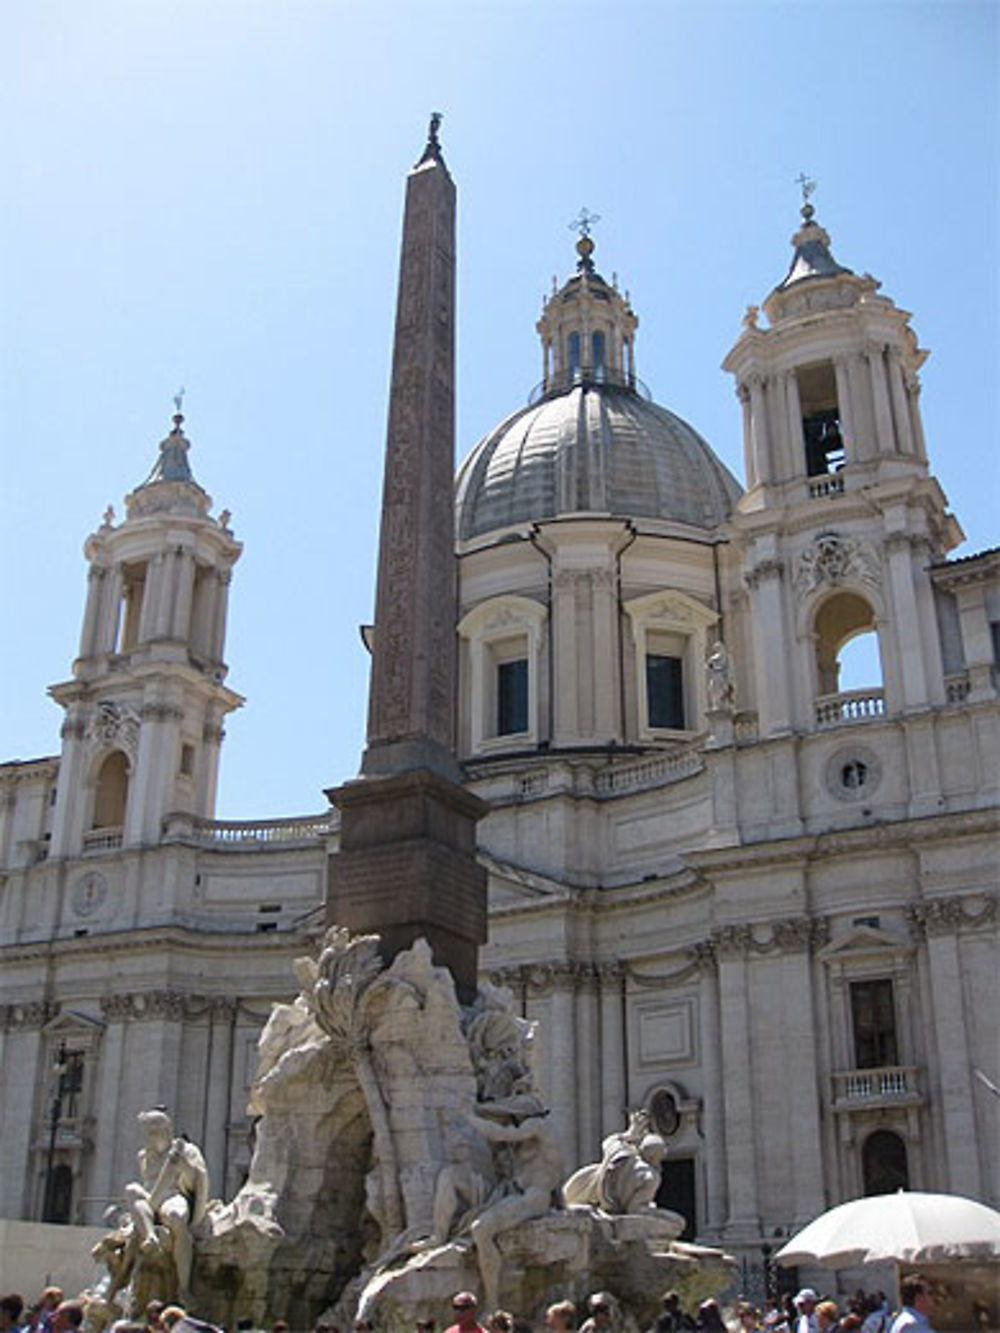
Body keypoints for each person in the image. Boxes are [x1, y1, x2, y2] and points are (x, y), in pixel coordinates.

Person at [467, 1098, 563, 1312]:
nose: (512, 1121)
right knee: (478, 1228)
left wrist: (469, 1118)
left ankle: (492, 1305)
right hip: (524, 1196)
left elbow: (503, 1134)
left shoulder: (537, 1125)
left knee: (481, 1229)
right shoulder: (541, 1131)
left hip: (534, 1198)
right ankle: (492, 1300)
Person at [124, 1109, 209, 1301]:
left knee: (178, 1219)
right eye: (148, 1132)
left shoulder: (187, 1151)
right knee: (131, 1190)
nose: (151, 1137)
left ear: (166, 1130)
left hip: (173, 1196)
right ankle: (150, 1237)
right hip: (149, 1200)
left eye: (155, 1132)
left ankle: (184, 1287)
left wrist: (183, 1165)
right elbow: (148, 1185)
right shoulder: (143, 1156)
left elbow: (194, 1182)